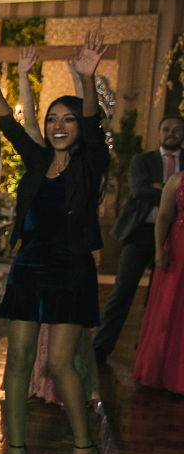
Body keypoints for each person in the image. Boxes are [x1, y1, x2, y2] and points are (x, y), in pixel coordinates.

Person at [0, 31, 108, 454]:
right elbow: (9, 124)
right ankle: (15, 448)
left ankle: (84, 449)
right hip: (30, 266)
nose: (58, 125)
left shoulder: (91, 163)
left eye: (67, 119)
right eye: (52, 118)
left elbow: (93, 126)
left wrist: (87, 79)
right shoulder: (37, 160)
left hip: (70, 269)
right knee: (17, 359)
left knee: (59, 363)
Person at [94, 115, 184, 361]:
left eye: (177, 129)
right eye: (166, 129)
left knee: (161, 296)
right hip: (140, 232)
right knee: (122, 290)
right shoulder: (142, 161)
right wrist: (171, 192)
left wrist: (160, 187)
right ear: (159, 132)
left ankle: (148, 348)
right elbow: (139, 190)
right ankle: (101, 345)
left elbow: (155, 191)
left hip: (175, 237)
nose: (171, 133)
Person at [132, 171, 184, 392]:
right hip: (178, 251)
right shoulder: (177, 180)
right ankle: (163, 373)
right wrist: (158, 250)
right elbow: (163, 216)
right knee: (169, 309)